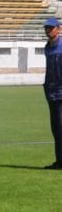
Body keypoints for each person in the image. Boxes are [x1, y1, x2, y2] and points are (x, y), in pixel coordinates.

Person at [43, 17, 62, 169]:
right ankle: (59, 162)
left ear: (58, 29)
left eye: (51, 28)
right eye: (46, 28)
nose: (48, 30)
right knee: (56, 129)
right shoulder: (47, 47)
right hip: (52, 93)